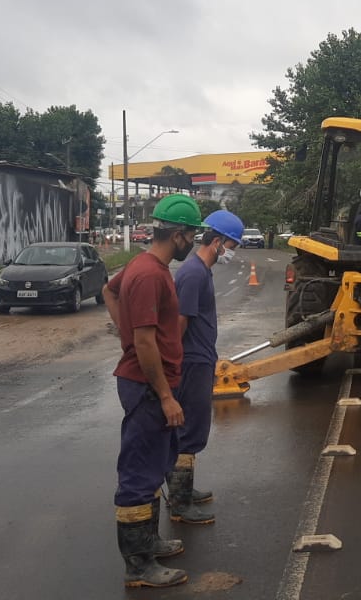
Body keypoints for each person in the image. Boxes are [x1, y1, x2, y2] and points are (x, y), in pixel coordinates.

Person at [102, 194, 207, 589]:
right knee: (139, 473)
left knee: (156, 463)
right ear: (178, 235)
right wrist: (164, 394)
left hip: (151, 382)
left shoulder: (144, 266)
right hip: (148, 387)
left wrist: (126, 336)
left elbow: (108, 292)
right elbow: (146, 343)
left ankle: (149, 542)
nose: (192, 244)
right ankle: (138, 565)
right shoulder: (149, 275)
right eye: (191, 236)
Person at [167, 209, 244, 525]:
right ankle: (180, 503)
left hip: (200, 358)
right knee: (191, 429)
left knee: (194, 427)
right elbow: (179, 323)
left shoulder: (200, 271)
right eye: (232, 245)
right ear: (217, 242)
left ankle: (183, 490)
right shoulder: (194, 273)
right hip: (192, 362)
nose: (233, 252)